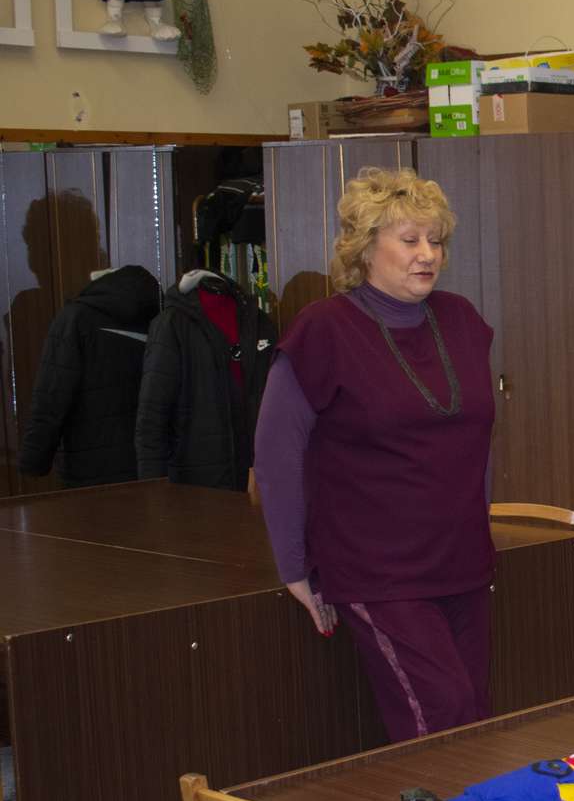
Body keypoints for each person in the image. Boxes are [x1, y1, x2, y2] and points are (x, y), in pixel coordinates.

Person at [253, 168, 495, 742]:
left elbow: (476, 443)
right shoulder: (324, 330)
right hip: (377, 569)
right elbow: (277, 454)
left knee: (475, 718)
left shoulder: (462, 320)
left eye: (436, 240)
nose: (427, 254)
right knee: (442, 716)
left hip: (461, 562)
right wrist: (293, 567)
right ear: (365, 249)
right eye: (409, 240)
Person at [18, 264, 161, 487]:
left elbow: (52, 396)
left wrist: (33, 460)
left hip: (89, 466)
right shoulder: (161, 318)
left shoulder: (76, 318)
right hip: (151, 464)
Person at [135, 269, 277, 490]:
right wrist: (154, 492)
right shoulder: (171, 325)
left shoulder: (259, 322)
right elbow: (152, 416)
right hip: (193, 485)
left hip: (256, 478)